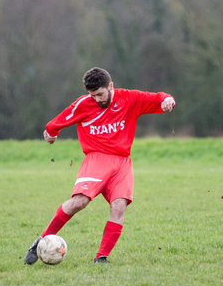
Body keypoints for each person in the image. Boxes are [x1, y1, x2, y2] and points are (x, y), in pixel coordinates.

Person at [24, 67, 175, 264]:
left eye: (100, 94)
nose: (97, 99)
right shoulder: (83, 104)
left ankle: (101, 258)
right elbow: (58, 121)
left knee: (119, 206)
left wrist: (167, 101)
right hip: (97, 158)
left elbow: (157, 98)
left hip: (122, 162)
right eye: (93, 95)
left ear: (111, 86)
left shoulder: (129, 98)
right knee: (80, 202)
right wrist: (51, 134)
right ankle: (41, 241)